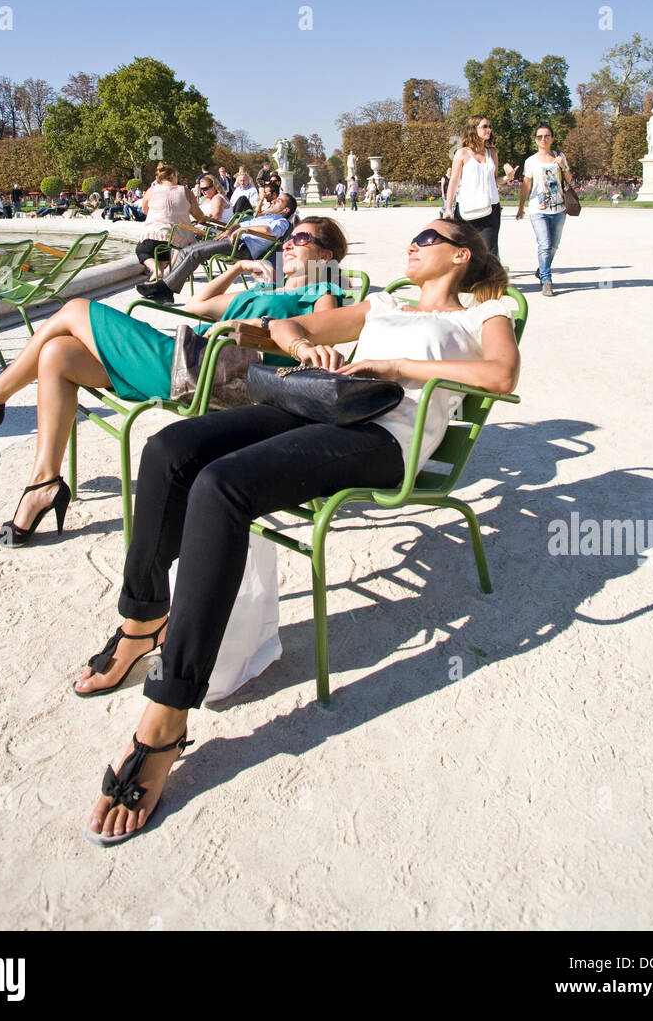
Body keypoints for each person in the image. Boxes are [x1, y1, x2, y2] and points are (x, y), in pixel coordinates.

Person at [77, 219, 519, 844]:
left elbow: (502, 377)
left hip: (384, 438)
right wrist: (304, 343)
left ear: (460, 253)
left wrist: (394, 364)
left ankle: (167, 714)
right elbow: (293, 328)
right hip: (311, 401)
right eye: (412, 236)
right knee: (170, 449)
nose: (413, 243)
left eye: (427, 235)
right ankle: (142, 618)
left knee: (222, 486)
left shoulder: (485, 314)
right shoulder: (384, 304)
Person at [0, 217, 349, 545]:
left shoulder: (323, 292)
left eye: (302, 237)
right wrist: (239, 268)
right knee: (57, 354)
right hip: (186, 356)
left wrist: (257, 321)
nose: (290, 243)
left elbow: (312, 337)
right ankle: (43, 482)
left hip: (206, 373)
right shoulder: (264, 288)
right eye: (290, 238)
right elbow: (196, 304)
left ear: (325, 253)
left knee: (76, 308)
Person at [137, 191, 298, 304]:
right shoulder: (265, 217)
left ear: (286, 210)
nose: (273, 201)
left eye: (278, 201)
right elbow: (239, 224)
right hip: (233, 241)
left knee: (196, 252)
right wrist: (229, 230)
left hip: (243, 248)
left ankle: (164, 288)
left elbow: (267, 231)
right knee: (188, 250)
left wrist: (242, 231)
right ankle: (166, 289)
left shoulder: (281, 222)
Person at [445, 115, 517, 255]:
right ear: (473, 129)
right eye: (484, 126)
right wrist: (448, 208)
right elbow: (453, 181)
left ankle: (492, 276)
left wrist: (508, 177)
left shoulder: (492, 153)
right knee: (466, 250)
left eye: (489, 126)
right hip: (467, 207)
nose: (488, 129)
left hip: (491, 206)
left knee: (490, 250)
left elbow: (494, 180)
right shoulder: (462, 153)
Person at [516, 123, 571, 297]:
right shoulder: (530, 161)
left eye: (547, 136)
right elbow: (526, 185)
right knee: (545, 245)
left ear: (552, 138)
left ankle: (542, 269)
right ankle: (547, 280)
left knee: (554, 246)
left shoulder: (559, 157)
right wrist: (521, 207)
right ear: (535, 140)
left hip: (559, 208)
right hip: (538, 209)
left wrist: (563, 166)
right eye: (539, 137)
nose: (543, 139)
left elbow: (569, 178)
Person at [134, 165, 210, 281]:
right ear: (173, 176)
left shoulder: (152, 191)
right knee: (165, 247)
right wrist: (204, 218)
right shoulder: (185, 191)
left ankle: (156, 270)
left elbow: (145, 210)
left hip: (156, 232)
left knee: (141, 249)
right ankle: (160, 278)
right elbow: (198, 215)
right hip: (179, 236)